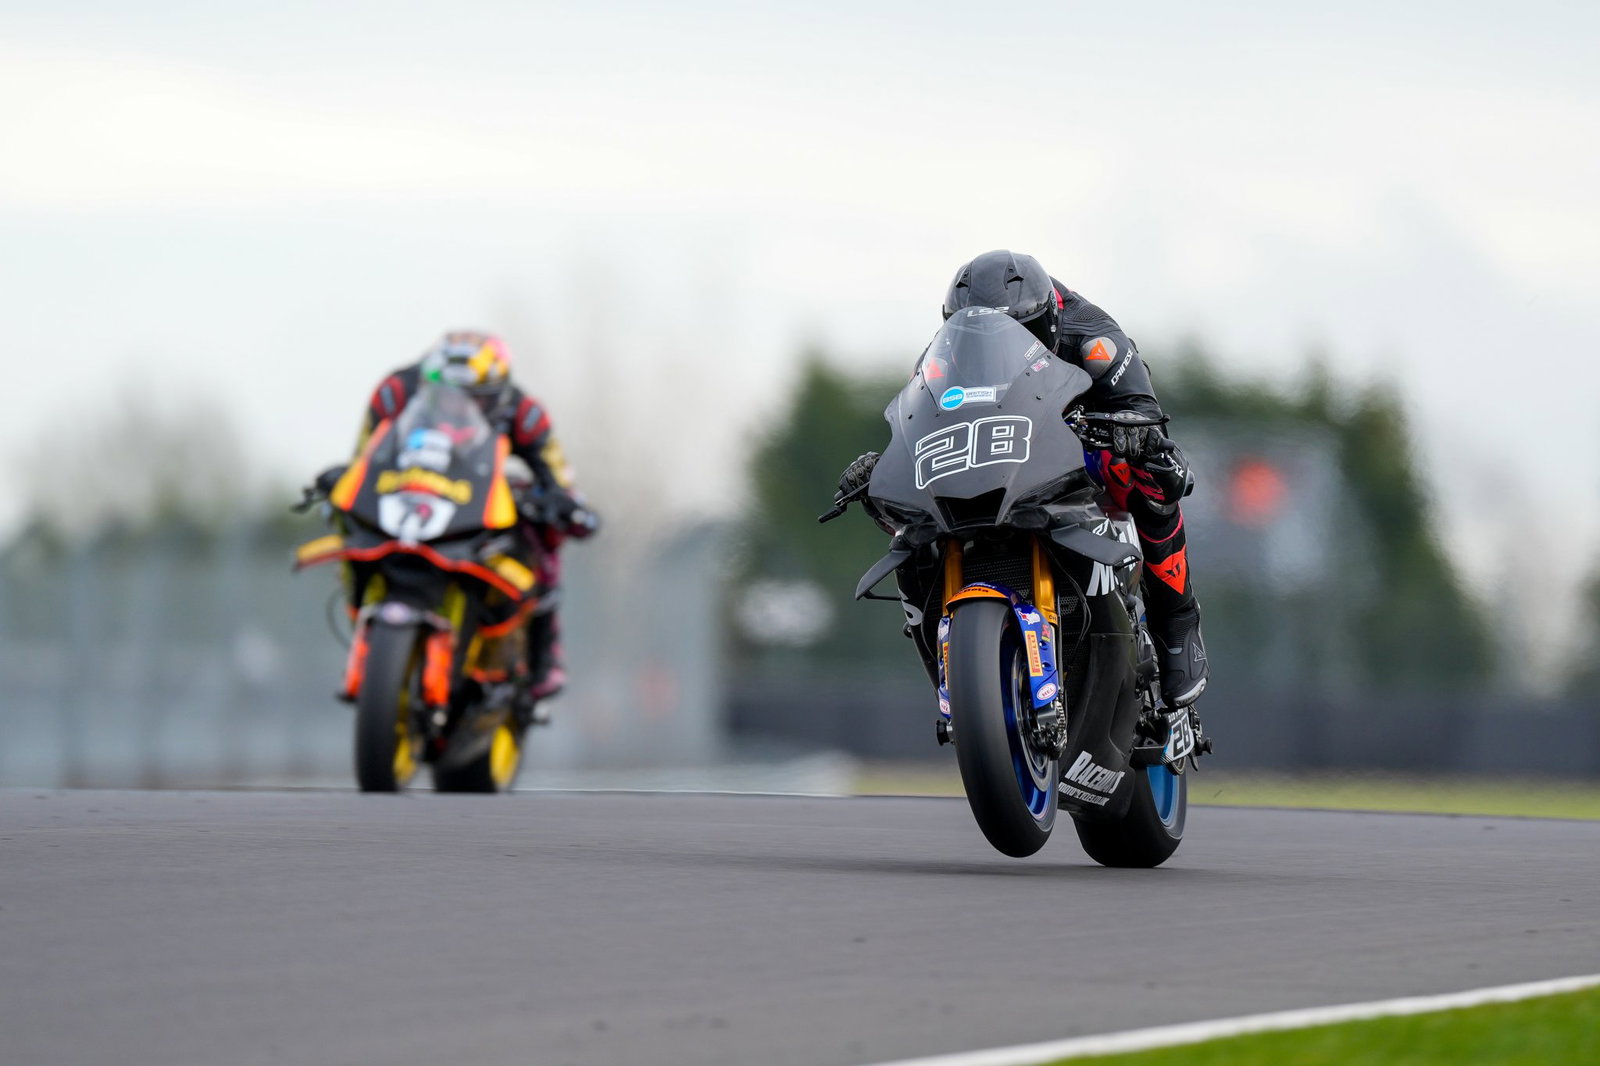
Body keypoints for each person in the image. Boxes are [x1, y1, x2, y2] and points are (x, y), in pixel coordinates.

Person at [837, 250, 1208, 707]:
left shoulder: (1094, 337)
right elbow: (918, 422)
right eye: (976, 335)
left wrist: (1137, 435)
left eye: (1019, 333)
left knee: (1151, 475)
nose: (991, 345)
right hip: (996, 461)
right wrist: (884, 466)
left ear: (1048, 318)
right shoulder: (941, 353)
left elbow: (1146, 415)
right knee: (913, 532)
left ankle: (1178, 625)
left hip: (1076, 448)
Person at [348, 330, 598, 711]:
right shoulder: (395, 392)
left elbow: (558, 475)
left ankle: (546, 651)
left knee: (543, 532)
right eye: (447, 396)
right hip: (411, 493)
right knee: (346, 521)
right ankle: (366, 609)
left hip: (478, 497)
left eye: (473, 398)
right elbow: (365, 456)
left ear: (496, 394)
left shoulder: (526, 413)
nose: (457, 406)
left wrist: (566, 505)